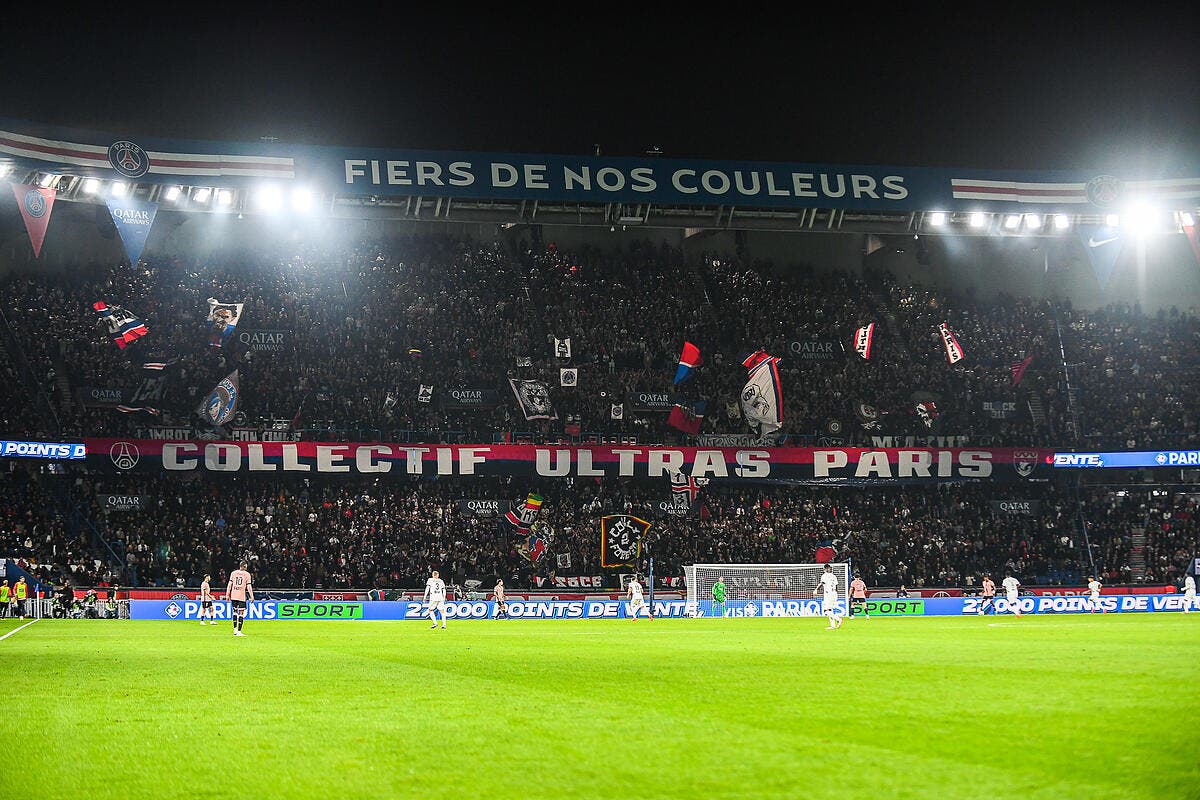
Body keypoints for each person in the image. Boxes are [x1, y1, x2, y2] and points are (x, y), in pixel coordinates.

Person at [226, 563, 254, 637]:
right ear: (244, 566)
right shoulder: (247, 574)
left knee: (235, 612)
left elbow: (229, 585)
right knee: (241, 613)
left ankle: (235, 629)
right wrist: (252, 596)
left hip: (233, 595)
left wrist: (227, 594)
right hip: (241, 596)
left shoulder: (233, 573)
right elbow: (249, 586)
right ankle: (239, 631)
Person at [815, 564, 843, 630]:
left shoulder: (824, 576)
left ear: (824, 569)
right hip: (834, 594)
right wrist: (836, 594)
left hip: (828, 594)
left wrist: (816, 590)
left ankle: (838, 619)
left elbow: (822, 583)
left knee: (826, 611)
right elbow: (836, 586)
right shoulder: (833, 576)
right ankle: (833, 625)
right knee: (830, 610)